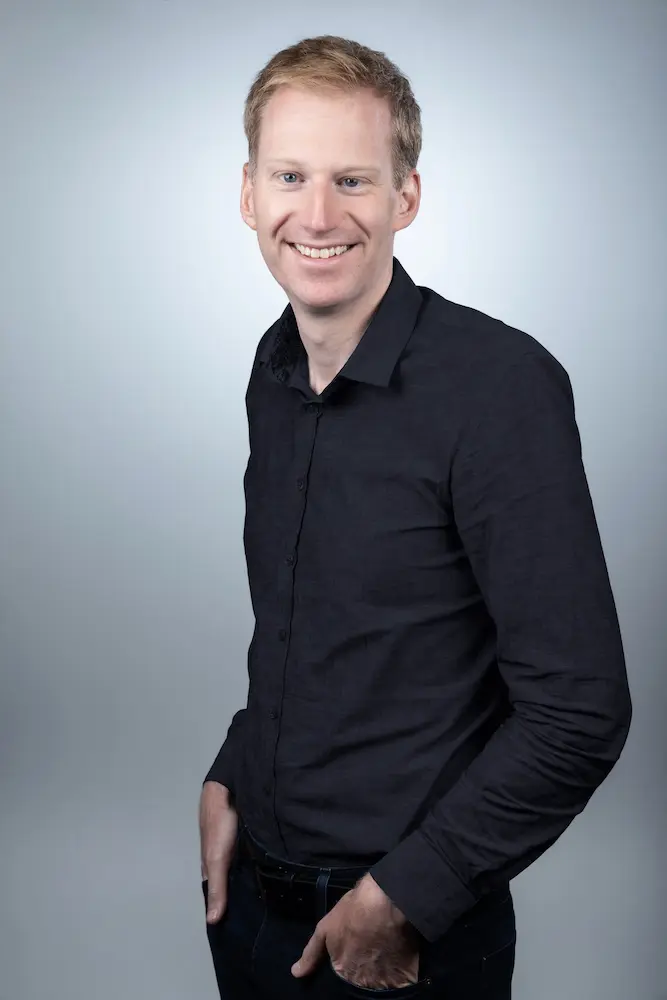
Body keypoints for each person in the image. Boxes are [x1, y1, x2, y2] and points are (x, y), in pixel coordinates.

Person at [198, 34, 632, 1000]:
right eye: (289, 176)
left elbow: (580, 712)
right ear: (247, 196)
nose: (317, 215)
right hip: (250, 907)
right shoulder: (273, 373)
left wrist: (399, 898)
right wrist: (231, 770)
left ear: (405, 199)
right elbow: (308, 628)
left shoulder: (500, 389)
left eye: (353, 180)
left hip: (398, 933)